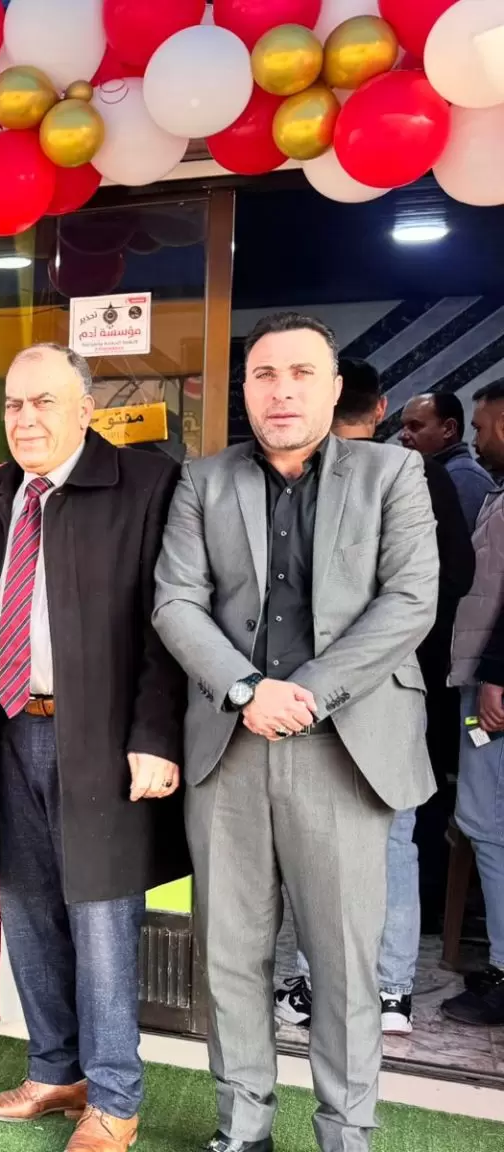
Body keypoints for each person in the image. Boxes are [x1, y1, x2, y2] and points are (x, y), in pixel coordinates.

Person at [153, 312, 438, 1152]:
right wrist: (246, 689)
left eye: (301, 374)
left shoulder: (392, 473)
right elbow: (176, 601)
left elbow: (410, 601)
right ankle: (242, 1128)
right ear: (244, 389)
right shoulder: (203, 481)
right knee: (229, 955)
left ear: (335, 387)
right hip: (232, 744)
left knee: (344, 961)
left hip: (344, 746)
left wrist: (304, 693)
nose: (282, 391)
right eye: (265, 375)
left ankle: (345, 1133)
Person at [0, 345, 188, 1152]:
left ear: (85, 409)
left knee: (101, 918)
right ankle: (54, 1071)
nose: (25, 419)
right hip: (5, 729)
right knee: (26, 907)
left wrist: (154, 737)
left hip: (103, 740)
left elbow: (168, 628)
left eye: (43, 402)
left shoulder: (144, 485)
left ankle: (114, 1097)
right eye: (13, 404)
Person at [272, 358, 474, 1036]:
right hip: (398, 681)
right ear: (380, 407)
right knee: (390, 841)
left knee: (321, 844)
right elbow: (449, 581)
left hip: (318, 686)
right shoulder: (420, 476)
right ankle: (390, 992)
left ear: (325, 401)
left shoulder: (316, 478)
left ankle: (315, 986)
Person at [440, 380, 504, 1028]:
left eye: (482, 427)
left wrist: (495, 676)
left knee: (489, 825)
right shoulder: (498, 492)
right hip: (481, 680)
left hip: (492, 691)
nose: (477, 440)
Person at [401, 391, 495, 527]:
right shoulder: (447, 475)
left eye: (414, 426)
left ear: (449, 429)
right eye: (403, 427)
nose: (402, 435)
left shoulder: (460, 477)